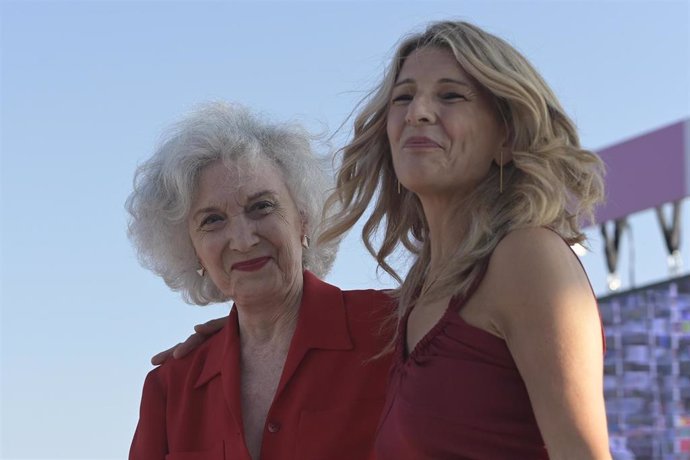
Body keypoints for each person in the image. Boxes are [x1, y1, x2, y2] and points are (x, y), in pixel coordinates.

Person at [159, 20, 612, 458]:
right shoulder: (415, 305)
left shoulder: (525, 257)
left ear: (507, 136)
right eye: (403, 97)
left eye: (451, 95)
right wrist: (256, 332)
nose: (418, 111)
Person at [126, 102, 394, 460]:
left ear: (304, 220)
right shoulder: (172, 388)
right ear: (192, 250)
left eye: (262, 206)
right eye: (212, 220)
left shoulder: (394, 330)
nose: (243, 239)